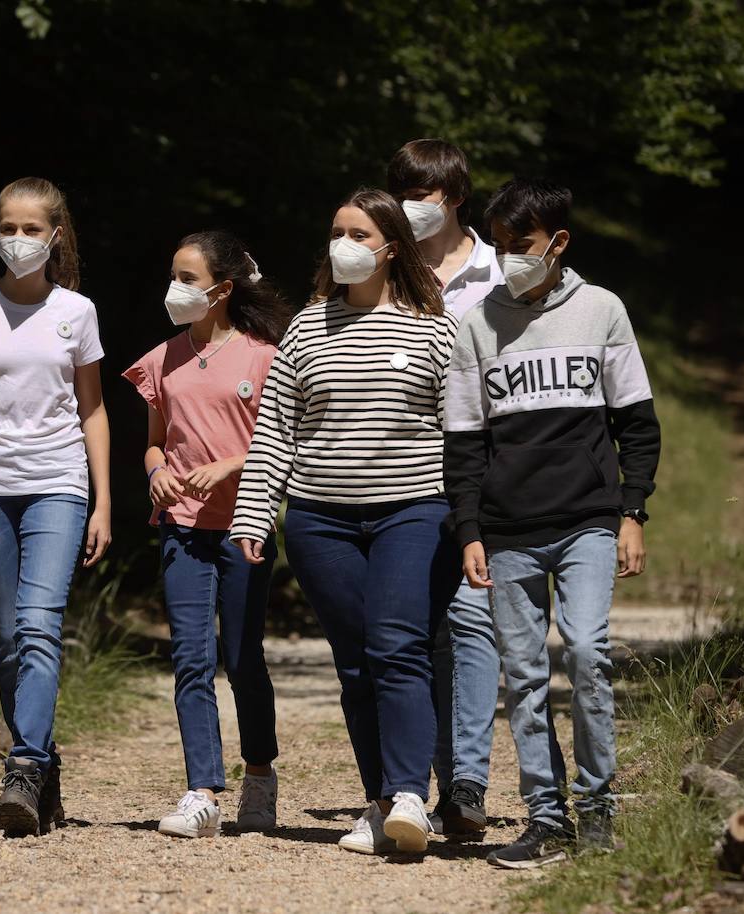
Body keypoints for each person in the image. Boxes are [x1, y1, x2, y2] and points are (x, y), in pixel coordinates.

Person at [231, 188, 459, 857]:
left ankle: (411, 792)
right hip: (319, 521)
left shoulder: (434, 327)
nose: (344, 245)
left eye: (359, 234)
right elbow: (274, 431)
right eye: (337, 231)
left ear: (392, 247)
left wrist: (475, 521)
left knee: (396, 645)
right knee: (356, 665)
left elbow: (462, 431)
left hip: (414, 512)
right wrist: (253, 514)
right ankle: (383, 801)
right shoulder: (306, 327)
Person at [445, 178, 660, 868]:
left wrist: (633, 512)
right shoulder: (476, 325)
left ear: (558, 243)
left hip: (589, 522)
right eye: (502, 246)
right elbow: (465, 444)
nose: (511, 258)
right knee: (525, 677)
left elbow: (637, 424)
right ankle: (547, 817)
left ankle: (598, 809)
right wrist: (470, 530)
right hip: (508, 532)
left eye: (524, 245)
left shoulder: (602, 311)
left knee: (591, 655)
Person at [0, 176, 112, 837]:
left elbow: (92, 410)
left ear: (54, 236)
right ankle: (45, 767)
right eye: (7, 227)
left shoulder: (78, 312)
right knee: (8, 640)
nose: (18, 239)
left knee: (40, 625)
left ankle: (26, 763)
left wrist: (100, 503)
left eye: (31, 229)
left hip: (58, 486)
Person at [122, 231, 290, 838]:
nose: (176, 289)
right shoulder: (160, 359)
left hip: (244, 525)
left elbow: (282, 441)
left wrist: (233, 465)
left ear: (221, 290)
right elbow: (150, 442)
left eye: (188, 279)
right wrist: (158, 472)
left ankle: (261, 776)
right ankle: (201, 792)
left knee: (244, 658)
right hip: (182, 531)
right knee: (191, 658)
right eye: (174, 275)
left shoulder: (264, 355)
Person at [387, 138, 505, 835]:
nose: (408, 210)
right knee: (423, 631)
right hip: (403, 471)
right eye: (399, 193)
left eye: (422, 196)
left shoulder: (497, 271)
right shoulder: (385, 267)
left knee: (470, 621)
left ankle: (466, 782)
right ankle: (430, 784)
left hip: (485, 471)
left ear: (456, 197)